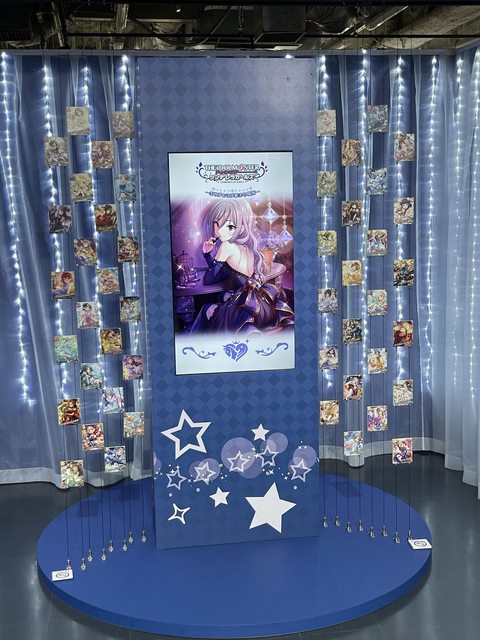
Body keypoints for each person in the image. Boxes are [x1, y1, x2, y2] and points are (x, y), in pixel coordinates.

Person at [190, 198, 294, 334]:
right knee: (221, 298)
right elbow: (220, 271)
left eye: (229, 227)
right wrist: (208, 255)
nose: (220, 231)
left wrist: (206, 255)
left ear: (241, 229)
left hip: (246, 308)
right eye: (218, 224)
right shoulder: (246, 248)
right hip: (262, 304)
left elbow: (209, 278)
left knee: (206, 309)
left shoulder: (226, 246)